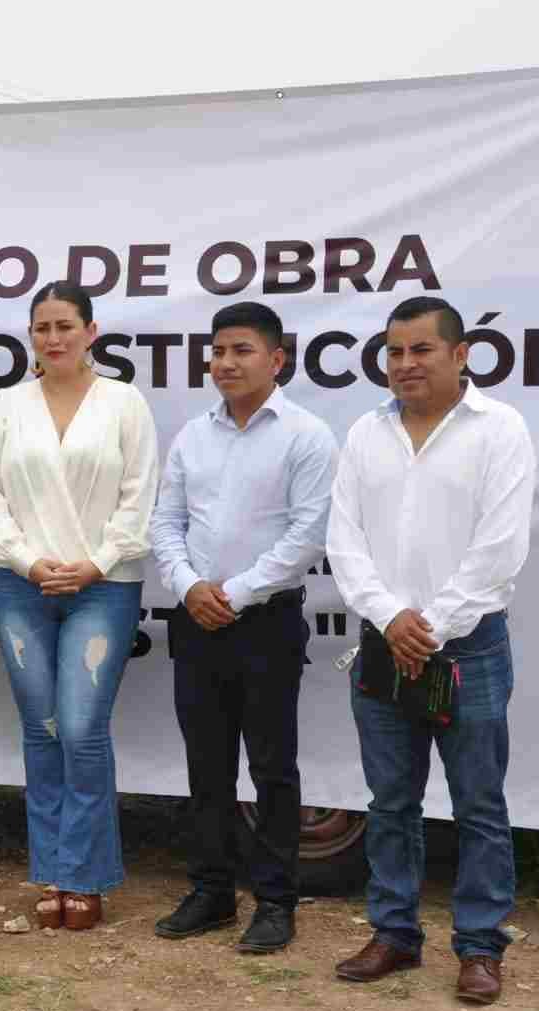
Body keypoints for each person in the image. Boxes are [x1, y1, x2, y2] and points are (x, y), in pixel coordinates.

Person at [326, 295, 536, 1005]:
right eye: (394, 352)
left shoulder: (500, 430)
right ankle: (393, 934)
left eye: (421, 349)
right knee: (390, 802)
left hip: (468, 647)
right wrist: (392, 619)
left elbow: (500, 547)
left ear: (459, 354)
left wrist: (432, 625)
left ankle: (480, 948)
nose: (405, 364)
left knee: (478, 804)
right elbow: (343, 541)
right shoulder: (364, 433)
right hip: (385, 644)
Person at [149, 301, 338, 952]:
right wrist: (189, 586)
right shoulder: (192, 435)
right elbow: (165, 522)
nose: (226, 363)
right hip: (195, 619)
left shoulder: (306, 436)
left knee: (272, 769)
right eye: (218, 351)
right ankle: (211, 892)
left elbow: (307, 536)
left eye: (242, 351)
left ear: (277, 358)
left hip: (264, 624)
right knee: (206, 769)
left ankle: (276, 901)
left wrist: (233, 592)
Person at [0, 280, 158, 931]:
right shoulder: (7, 405)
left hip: (103, 588)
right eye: (41, 327)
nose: (53, 338)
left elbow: (139, 496)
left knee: (80, 728)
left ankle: (85, 875)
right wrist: (28, 562)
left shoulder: (124, 403)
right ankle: (53, 872)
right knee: (42, 728)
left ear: (91, 333)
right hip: (23, 586)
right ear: (31, 336)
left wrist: (95, 563)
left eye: (64, 326)